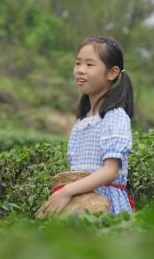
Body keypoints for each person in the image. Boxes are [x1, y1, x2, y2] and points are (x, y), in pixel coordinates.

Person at [38, 36, 135, 216]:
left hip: (105, 205)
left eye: (90, 65)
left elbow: (110, 171)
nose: (80, 70)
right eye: (78, 63)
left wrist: (67, 191)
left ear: (112, 73)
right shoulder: (82, 121)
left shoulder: (115, 117)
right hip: (79, 201)